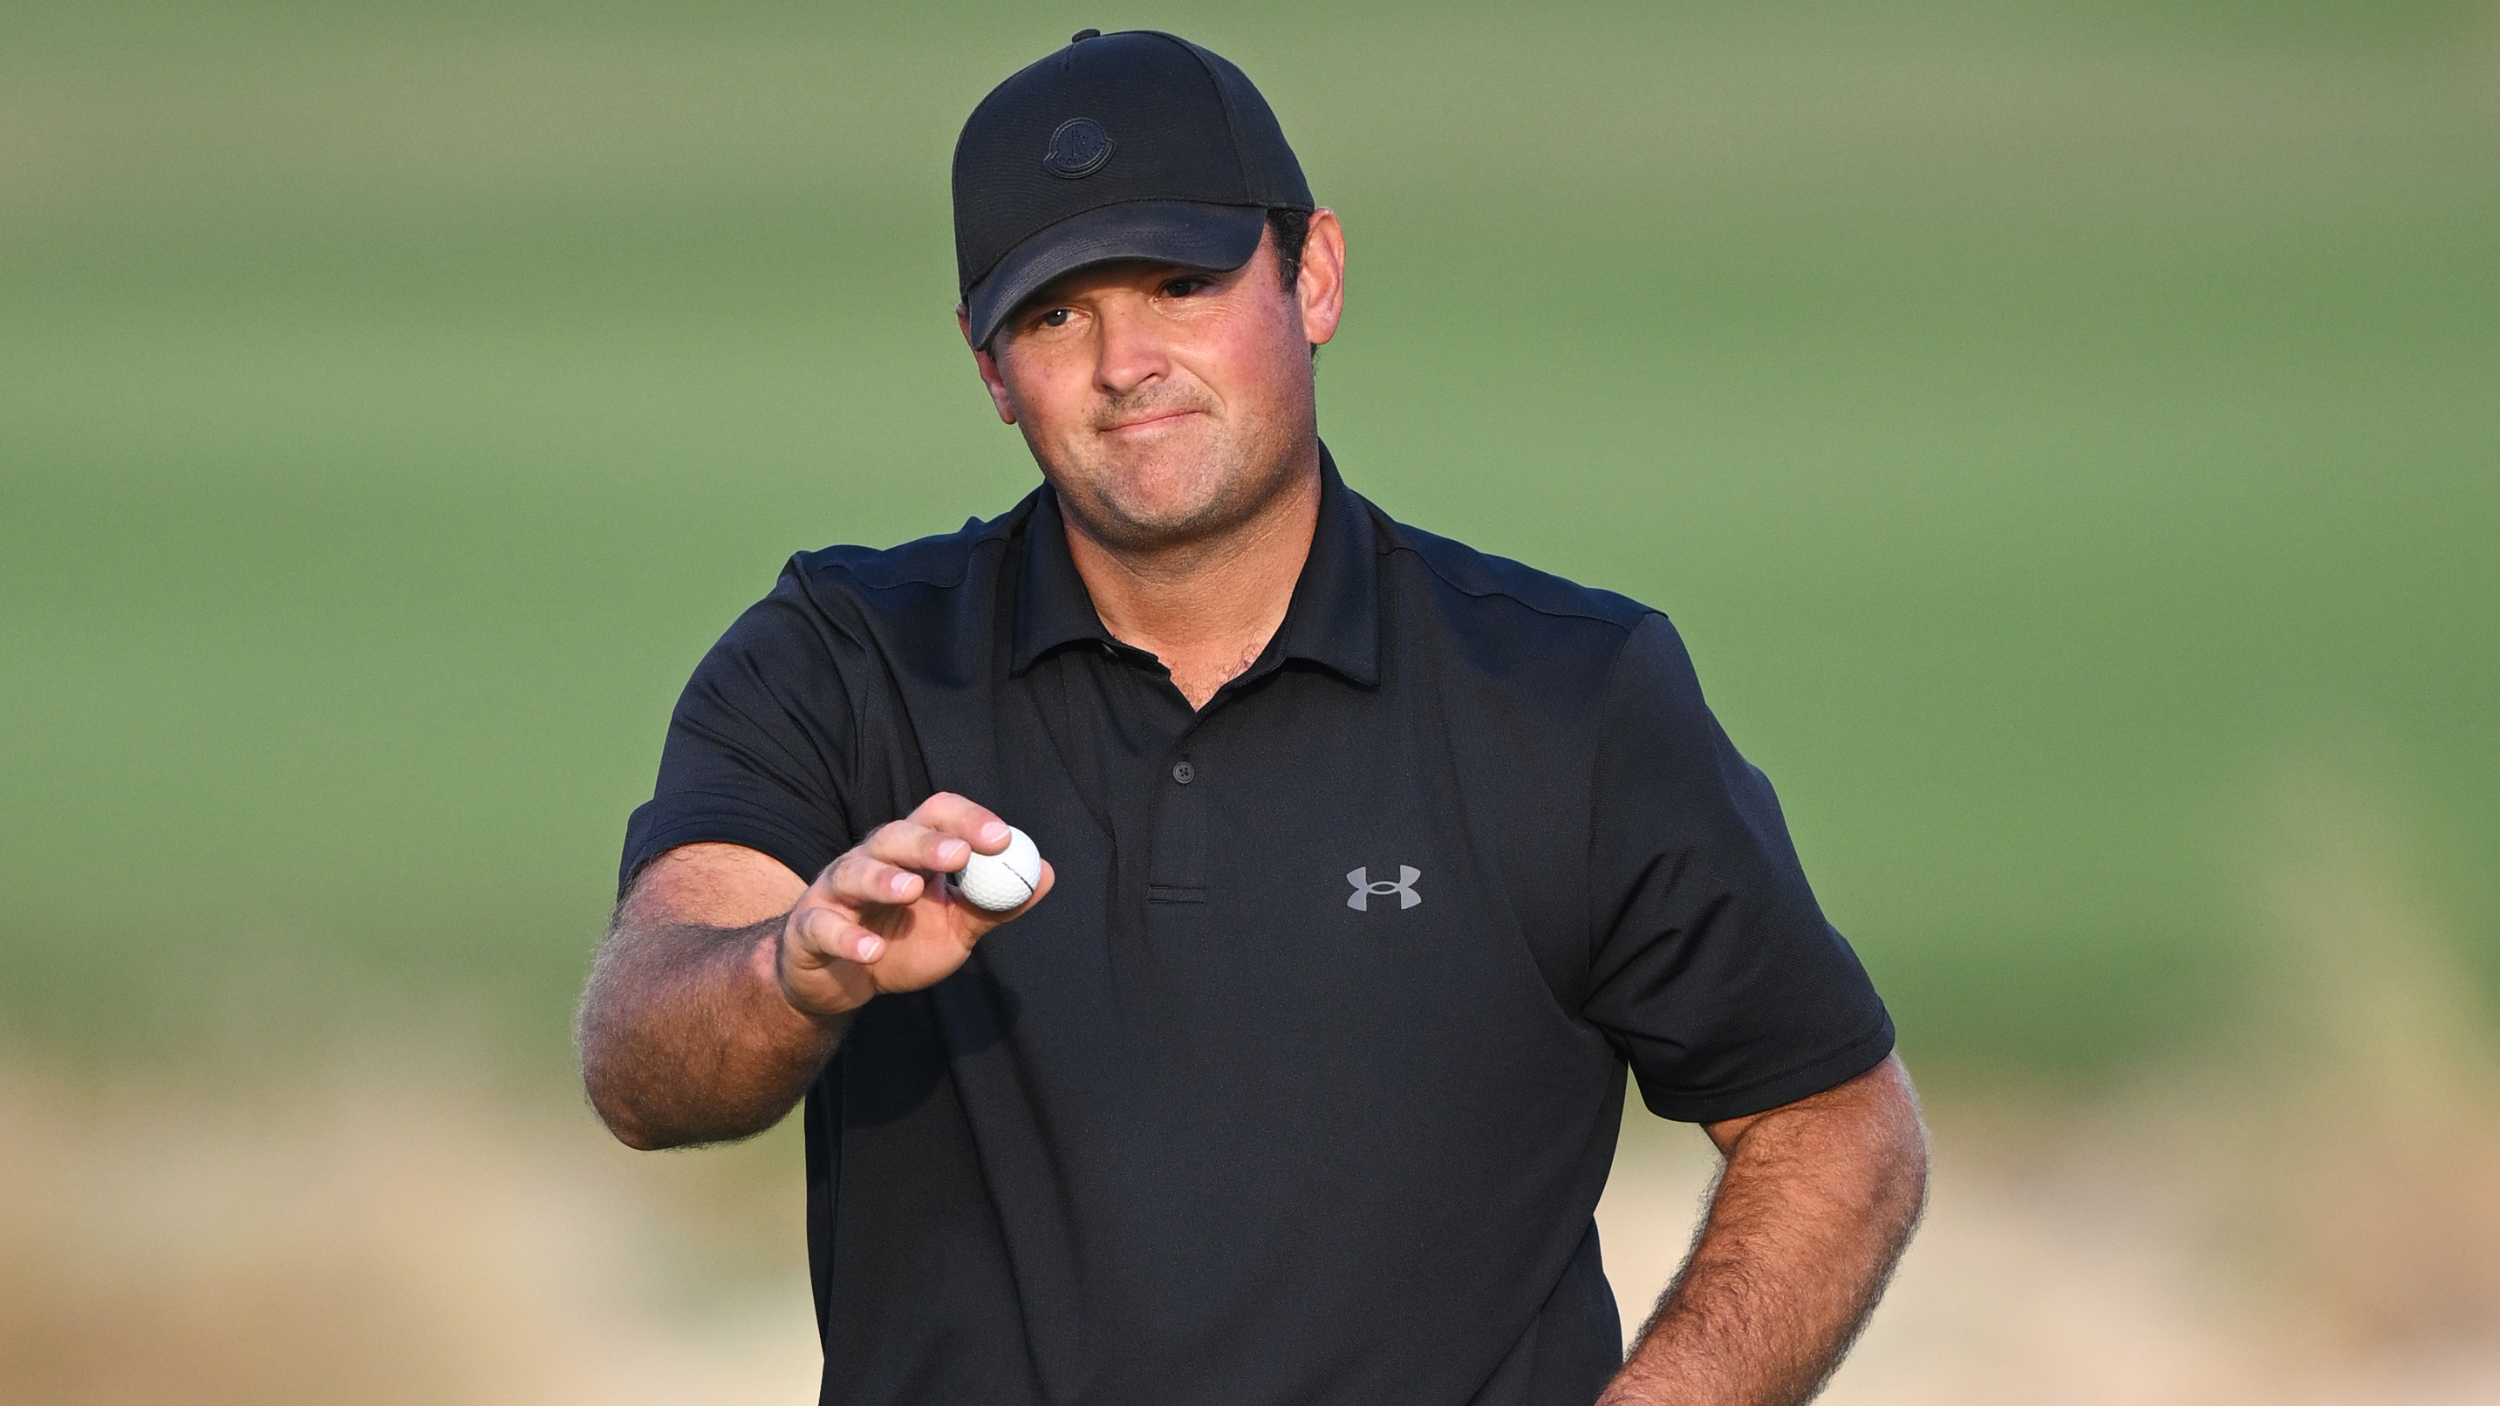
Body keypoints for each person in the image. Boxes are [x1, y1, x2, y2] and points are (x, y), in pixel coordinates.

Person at [578, 28, 1927, 1406]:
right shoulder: (842, 659)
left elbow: (1838, 1125)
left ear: (1315, 275)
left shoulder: (1569, 694)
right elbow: (641, 1049)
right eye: (1053, 315)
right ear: (990, 369)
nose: (1125, 361)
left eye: (1180, 282)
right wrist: (794, 972)